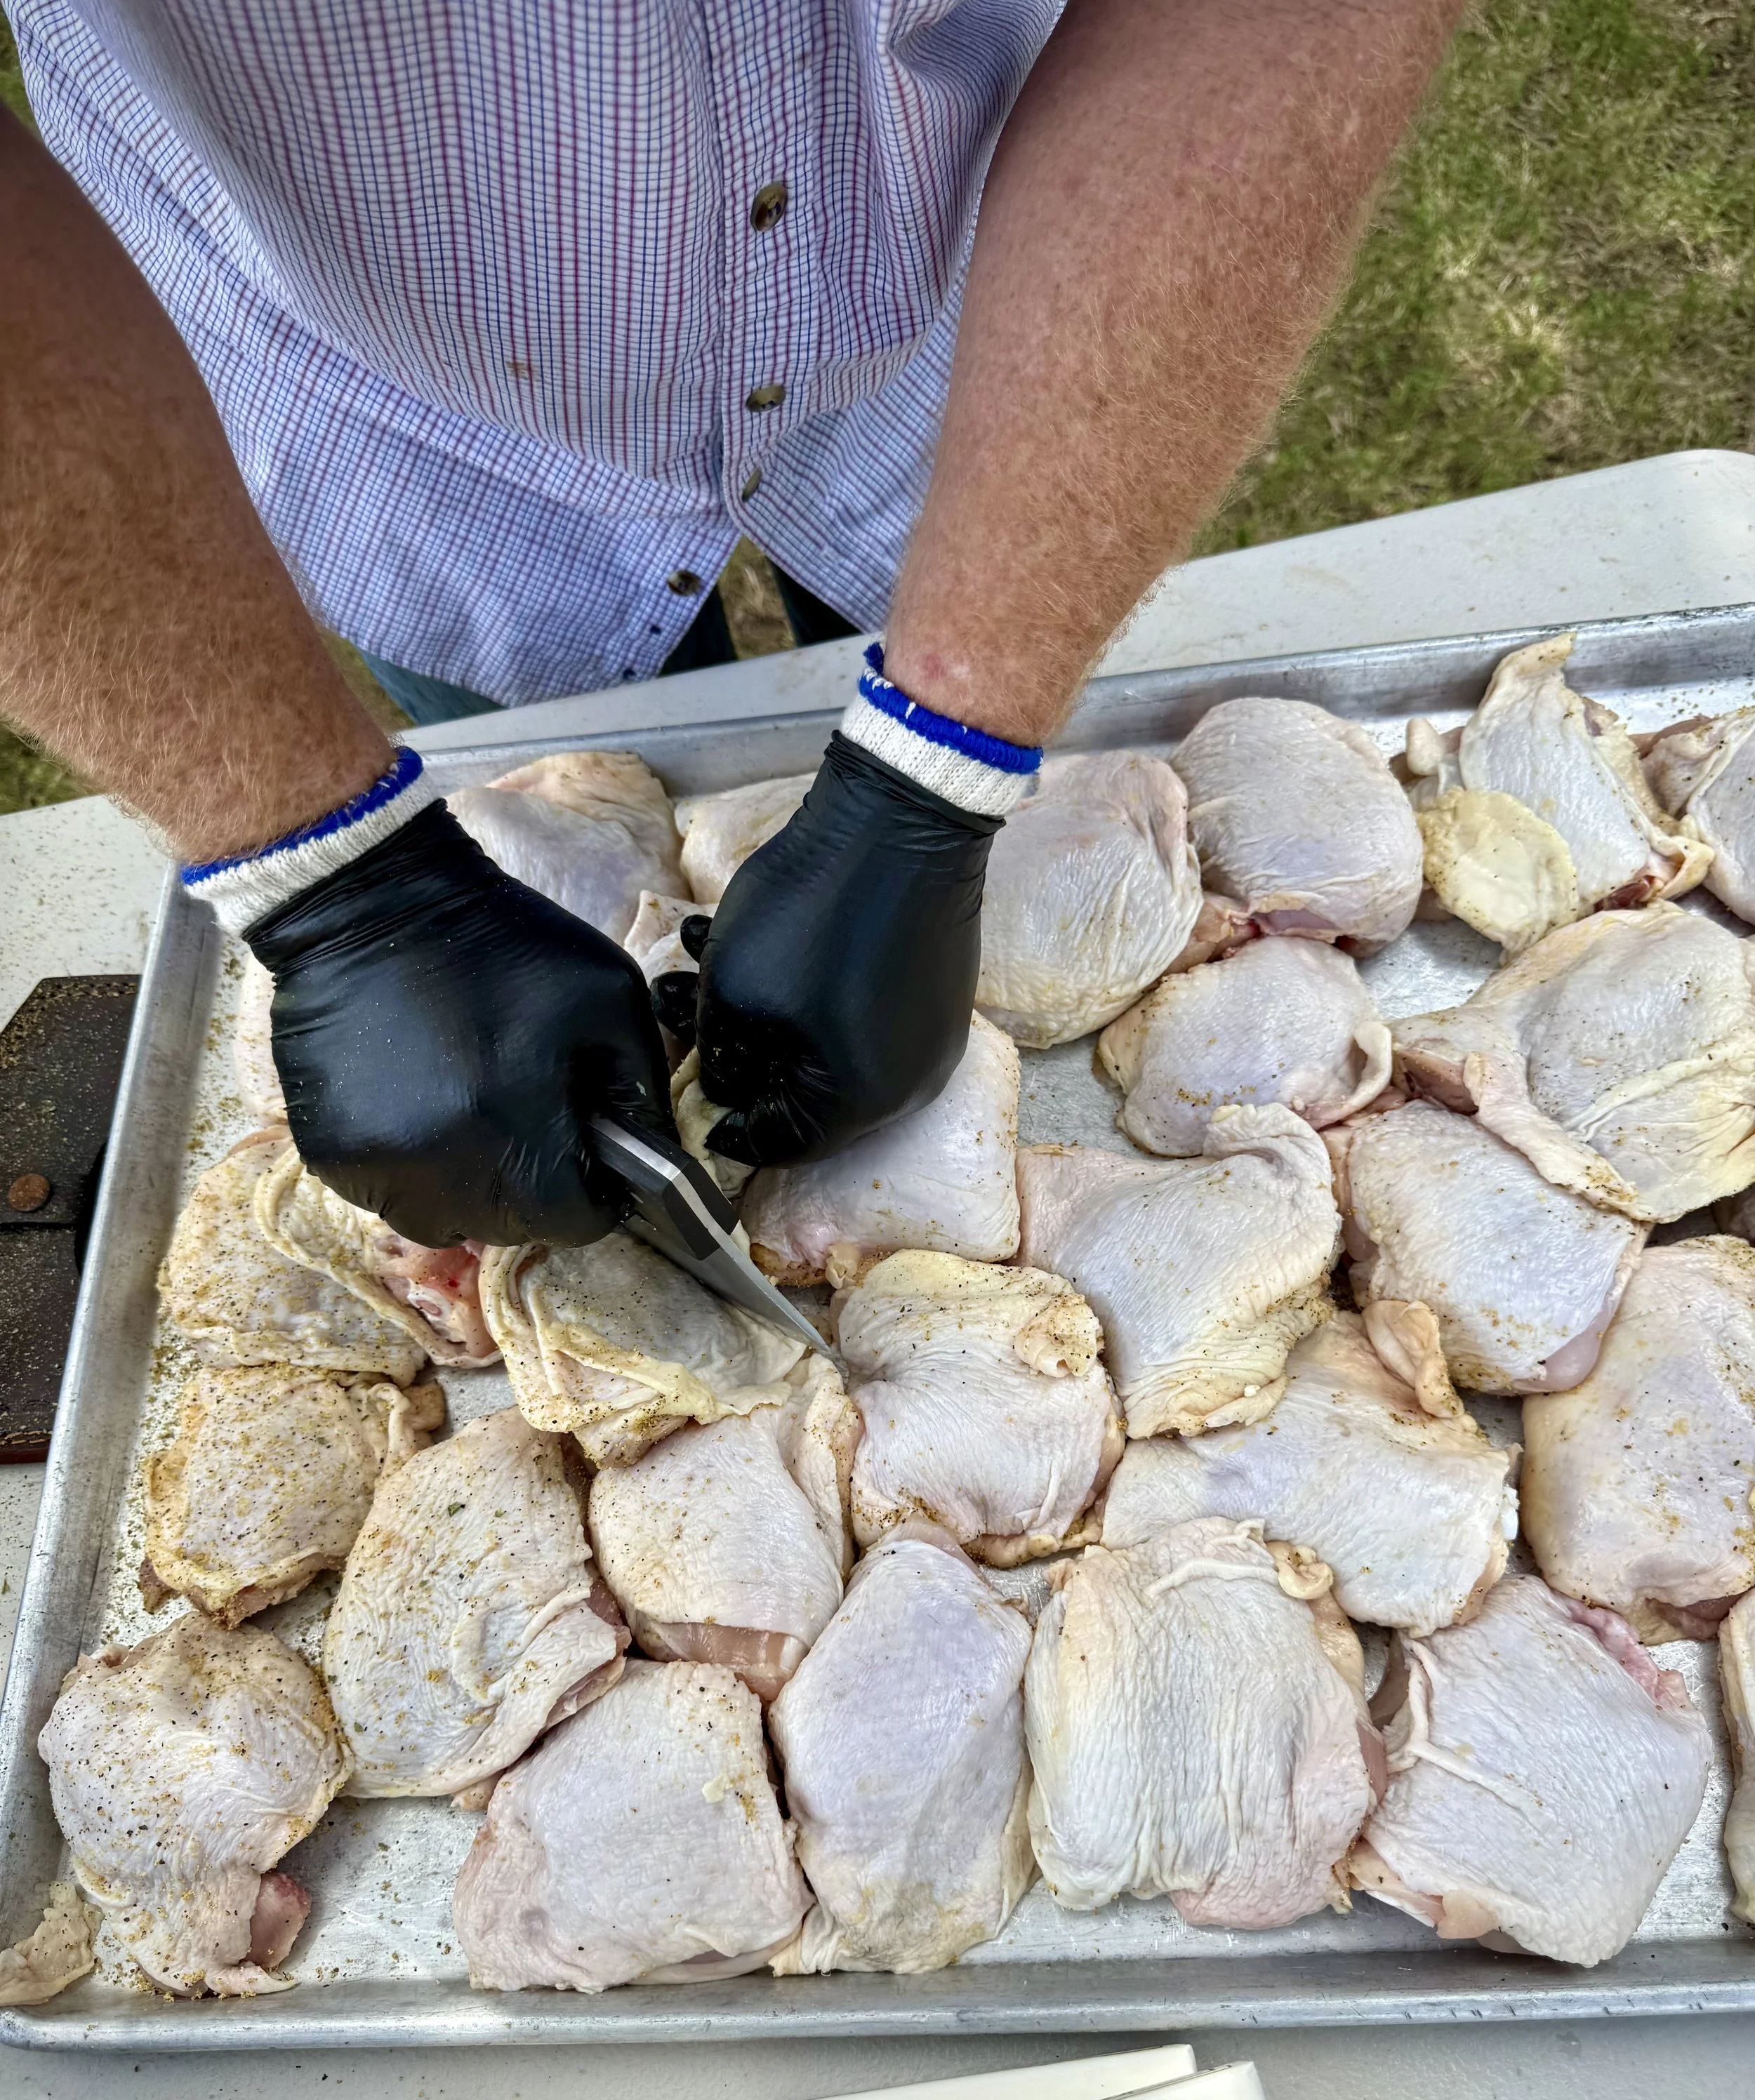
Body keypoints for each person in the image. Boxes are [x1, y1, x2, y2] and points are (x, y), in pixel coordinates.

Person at [0, 0, 1461, 1249]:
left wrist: (939, 768)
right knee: (559, 802)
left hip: (1017, 273)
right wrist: (326, 873)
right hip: (390, 405)